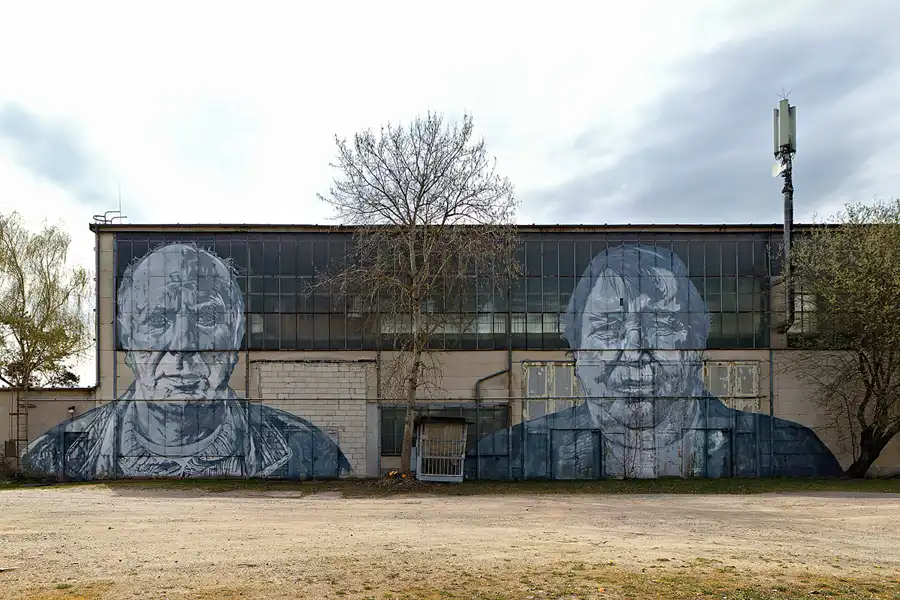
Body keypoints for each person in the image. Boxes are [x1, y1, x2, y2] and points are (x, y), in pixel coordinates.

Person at [482, 244, 842, 479]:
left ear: (697, 344)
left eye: (662, 324)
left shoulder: (794, 452)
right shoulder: (508, 454)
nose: (635, 350)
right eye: (608, 328)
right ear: (575, 351)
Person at [22, 243, 350, 480]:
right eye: (158, 320)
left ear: (236, 334)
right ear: (127, 338)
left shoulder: (312, 451)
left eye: (206, 317)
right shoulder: (52, 455)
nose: (183, 345)